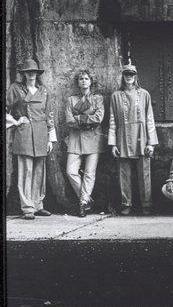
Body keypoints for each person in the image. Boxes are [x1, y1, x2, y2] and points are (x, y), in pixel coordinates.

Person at [6, 58, 57, 220]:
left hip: (42, 133)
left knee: (40, 170)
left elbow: (49, 115)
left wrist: (50, 139)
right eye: (28, 72)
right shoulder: (15, 89)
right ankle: (27, 207)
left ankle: (38, 204)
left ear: (37, 73)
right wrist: (16, 121)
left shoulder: (44, 91)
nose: (31, 74)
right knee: (26, 170)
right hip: (25, 133)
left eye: (34, 72)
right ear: (23, 74)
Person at [108, 64, 158, 216]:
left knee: (145, 173)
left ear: (136, 76)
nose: (129, 77)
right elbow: (112, 120)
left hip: (141, 136)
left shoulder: (144, 94)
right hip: (123, 136)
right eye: (126, 74)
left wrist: (151, 143)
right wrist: (113, 144)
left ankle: (146, 204)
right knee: (124, 173)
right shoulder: (116, 96)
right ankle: (126, 203)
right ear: (122, 76)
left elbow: (150, 119)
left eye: (132, 74)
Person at [65, 69, 106, 217]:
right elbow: (69, 121)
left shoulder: (98, 99)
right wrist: (88, 120)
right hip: (75, 139)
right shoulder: (71, 100)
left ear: (91, 81)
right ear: (77, 82)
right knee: (70, 172)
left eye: (86, 78)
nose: (83, 81)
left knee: (89, 174)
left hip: (93, 139)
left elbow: (99, 118)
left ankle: (82, 204)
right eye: (81, 79)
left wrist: (80, 118)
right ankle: (87, 199)